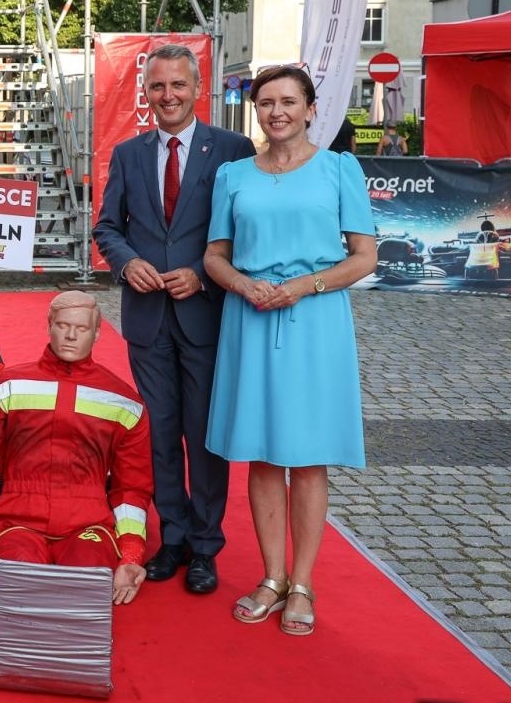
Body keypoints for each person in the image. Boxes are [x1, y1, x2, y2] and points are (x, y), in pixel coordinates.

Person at [203, 64, 377, 636]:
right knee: (260, 453)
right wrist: (243, 284)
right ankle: (272, 576)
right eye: (265, 102)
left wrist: (303, 285)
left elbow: (363, 257)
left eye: (287, 101)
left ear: (309, 109)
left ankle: (302, 582)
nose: (276, 112)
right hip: (249, 317)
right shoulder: (233, 175)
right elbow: (215, 256)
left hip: (315, 320)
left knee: (307, 455)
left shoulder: (338, 169)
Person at [92, 43, 254, 596]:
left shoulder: (234, 150)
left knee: (204, 436)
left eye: (178, 86)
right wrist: (127, 261)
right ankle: (174, 538)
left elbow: (245, 234)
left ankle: (207, 546)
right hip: (146, 320)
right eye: (158, 87)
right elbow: (107, 227)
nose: (168, 96)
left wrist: (204, 274)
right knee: (159, 435)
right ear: (146, 92)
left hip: (205, 316)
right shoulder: (128, 153)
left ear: (197, 88)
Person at [0, 292, 155, 606]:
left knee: (85, 590)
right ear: (48, 326)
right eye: (62, 325)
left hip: (88, 524)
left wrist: (131, 554)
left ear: (99, 333)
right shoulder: (7, 385)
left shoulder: (124, 401)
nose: (71, 335)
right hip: (17, 521)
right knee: (19, 587)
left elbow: (132, 488)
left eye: (82, 328)